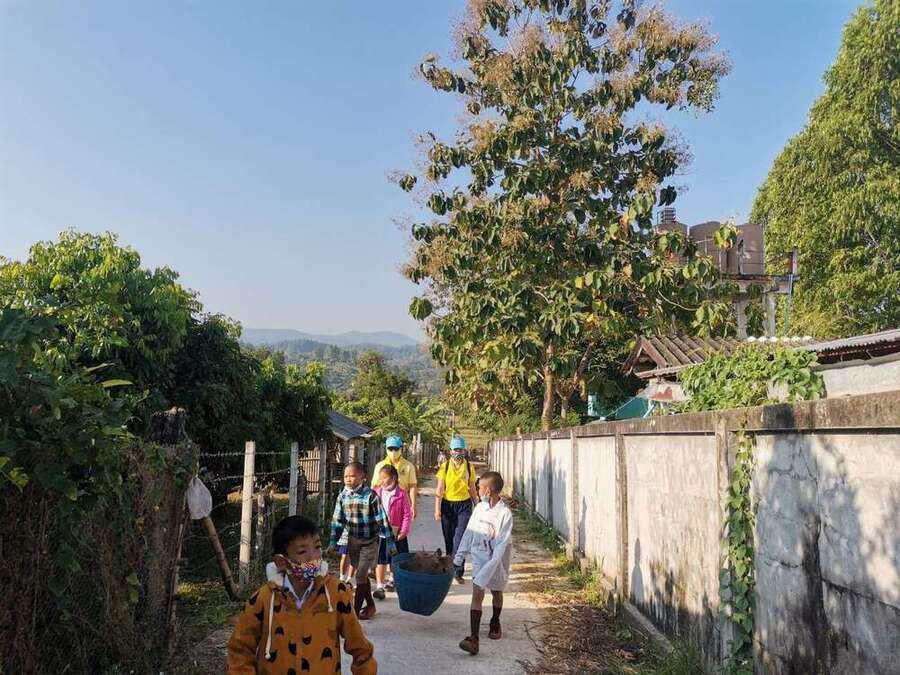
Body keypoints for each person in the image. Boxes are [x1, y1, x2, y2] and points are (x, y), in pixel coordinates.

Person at [227, 515, 376, 674]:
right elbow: (240, 650)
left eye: (317, 547)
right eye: (302, 551)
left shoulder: (336, 593)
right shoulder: (263, 599)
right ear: (281, 562)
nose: (314, 557)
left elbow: (360, 648)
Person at [453, 471, 513, 656]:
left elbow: (501, 545)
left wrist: (491, 566)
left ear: (488, 490)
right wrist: (459, 557)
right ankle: (474, 639)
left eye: (479, 488)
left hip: (497, 560)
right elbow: (469, 532)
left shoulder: (504, 514)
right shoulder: (479, 508)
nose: (477, 491)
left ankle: (495, 621)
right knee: (477, 594)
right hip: (479, 558)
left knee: (496, 592)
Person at [330, 462, 396, 620]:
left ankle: (353, 614)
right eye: (346, 476)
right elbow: (337, 521)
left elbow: (382, 520)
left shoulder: (371, 496)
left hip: (370, 542)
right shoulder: (343, 496)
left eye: (352, 476)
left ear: (362, 477)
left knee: (359, 575)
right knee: (362, 575)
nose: (348, 479)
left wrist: (391, 543)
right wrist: (333, 542)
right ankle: (371, 606)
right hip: (353, 541)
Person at [435, 435, 478, 584]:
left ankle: (458, 572)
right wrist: (437, 509)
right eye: (455, 449)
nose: (458, 452)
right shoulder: (445, 466)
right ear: (450, 451)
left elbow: (472, 488)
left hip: (464, 506)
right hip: (447, 505)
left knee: (460, 540)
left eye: (460, 449)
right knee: (449, 539)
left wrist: (478, 505)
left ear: (464, 450)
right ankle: (449, 568)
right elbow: (440, 488)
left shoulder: (469, 467)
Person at [372, 463, 412, 599]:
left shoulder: (401, 494)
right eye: (381, 478)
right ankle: (379, 586)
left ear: (394, 478)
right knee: (381, 560)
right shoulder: (376, 492)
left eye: (385, 478)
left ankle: (392, 579)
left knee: (395, 559)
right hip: (381, 533)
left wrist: (404, 531)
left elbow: (407, 514)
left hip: (396, 533)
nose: (382, 481)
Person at [372, 435, 419, 520]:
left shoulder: (409, 466)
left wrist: (413, 506)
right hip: (383, 503)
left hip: (402, 502)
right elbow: (374, 487)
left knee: (402, 527)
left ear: (401, 449)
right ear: (386, 449)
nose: (393, 451)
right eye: (390, 449)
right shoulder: (379, 466)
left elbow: (412, 486)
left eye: (396, 449)